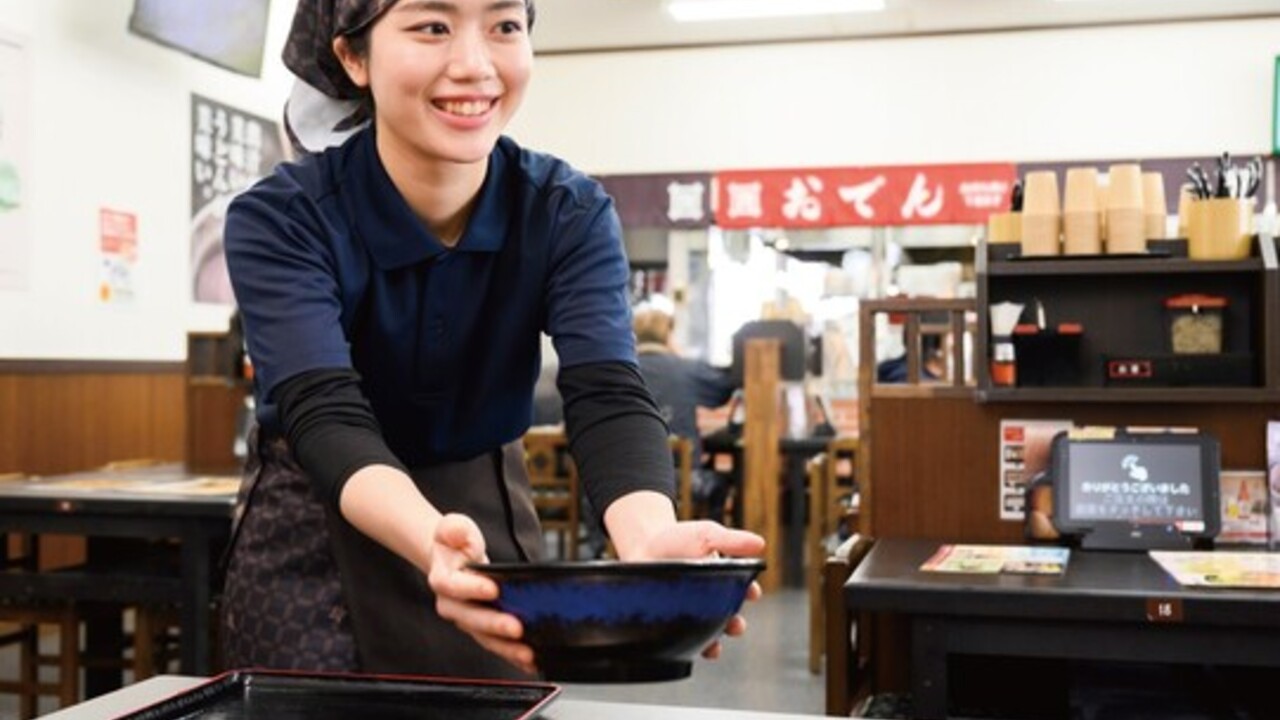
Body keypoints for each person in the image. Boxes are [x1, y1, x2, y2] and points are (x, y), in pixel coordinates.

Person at [219, 0, 764, 680]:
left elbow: (607, 393)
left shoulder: (565, 209)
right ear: (352, 57)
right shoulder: (283, 217)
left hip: (481, 511)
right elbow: (322, 410)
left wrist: (648, 538)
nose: (474, 65)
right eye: (431, 26)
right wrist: (430, 542)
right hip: (316, 519)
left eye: (504, 26)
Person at [632, 296, 737, 522]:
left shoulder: (622, 370)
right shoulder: (686, 370)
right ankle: (710, 553)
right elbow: (725, 387)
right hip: (682, 479)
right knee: (719, 484)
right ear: (669, 333)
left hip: (627, 479)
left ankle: (601, 549)